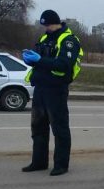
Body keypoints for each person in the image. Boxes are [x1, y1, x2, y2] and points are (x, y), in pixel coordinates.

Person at [21, 9, 83, 175]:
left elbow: (64, 65)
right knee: (38, 127)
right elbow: (42, 61)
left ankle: (61, 165)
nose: (46, 28)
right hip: (40, 87)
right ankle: (39, 162)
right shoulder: (45, 38)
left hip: (56, 89)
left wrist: (40, 60)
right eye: (44, 26)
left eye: (48, 25)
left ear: (55, 23)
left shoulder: (69, 40)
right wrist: (31, 60)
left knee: (59, 129)